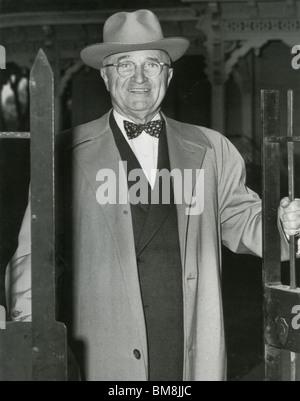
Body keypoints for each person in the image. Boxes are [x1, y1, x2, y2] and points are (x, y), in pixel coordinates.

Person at [5, 9, 300, 381]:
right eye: (125, 65)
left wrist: (285, 223)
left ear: (169, 74)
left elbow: (244, 221)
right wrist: (31, 335)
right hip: (102, 355)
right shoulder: (65, 154)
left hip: (191, 350)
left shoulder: (212, 149)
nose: (140, 78)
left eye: (152, 65)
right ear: (105, 75)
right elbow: (34, 257)